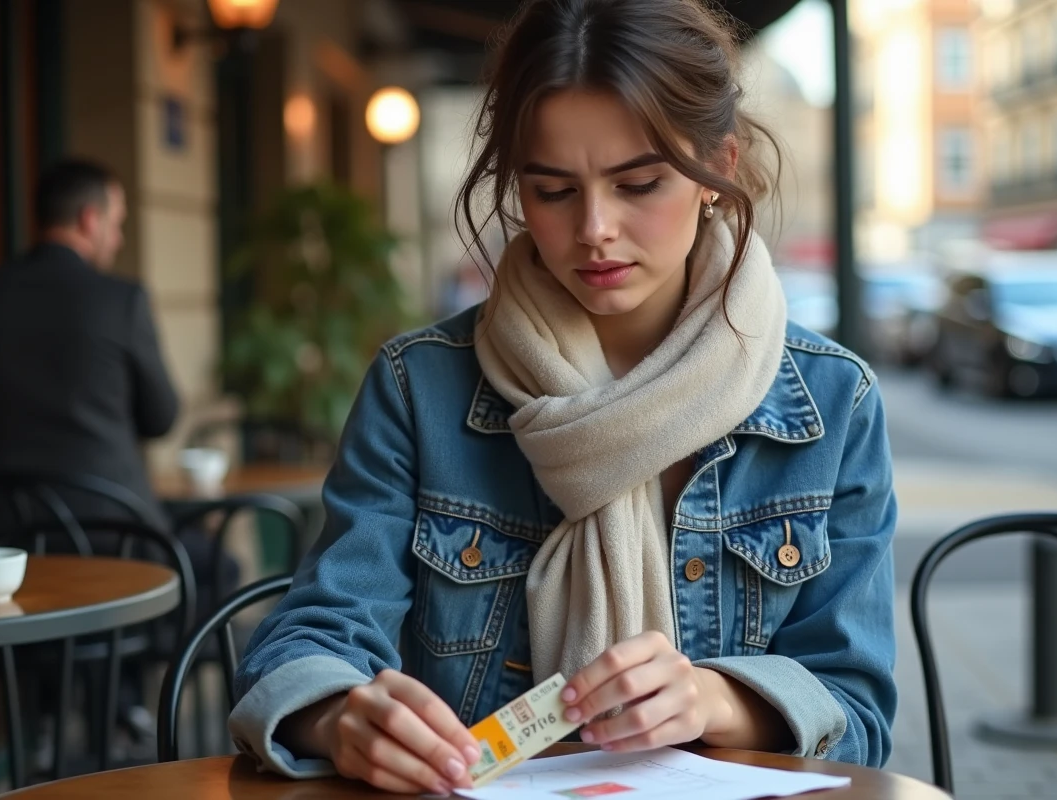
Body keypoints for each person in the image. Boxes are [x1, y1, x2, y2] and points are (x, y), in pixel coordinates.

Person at [230, 0, 897, 794]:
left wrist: (713, 698)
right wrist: (339, 717)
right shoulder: (421, 387)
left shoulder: (833, 402)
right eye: (552, 191)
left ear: (722, 165)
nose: (595, 229)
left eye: (639, 183)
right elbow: (316, 631)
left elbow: (857, 715)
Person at [0, 158, 178, 533]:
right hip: (115, 533)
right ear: (88, 219)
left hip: (5, 533)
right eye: (116, 224)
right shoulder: (121, 300)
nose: (119, 239)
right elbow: (161, 417)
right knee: (219, 566)